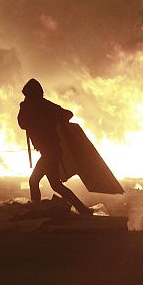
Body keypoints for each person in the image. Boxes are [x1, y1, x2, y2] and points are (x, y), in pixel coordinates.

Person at [17, 78, 92, 216]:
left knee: (40, 182)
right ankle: (82, 210)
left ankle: (37, 209)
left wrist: (47, 119)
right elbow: (22, 124)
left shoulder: (44, 107)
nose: (26, 99)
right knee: (51, 184)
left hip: (50, 152)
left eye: (28, 96)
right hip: (49, 152)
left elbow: (67, 114)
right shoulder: (37, 107)